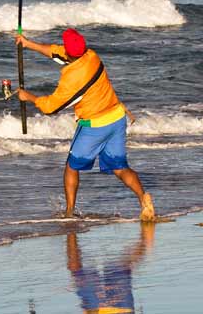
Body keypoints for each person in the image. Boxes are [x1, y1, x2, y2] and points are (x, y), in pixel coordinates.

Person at [15, 28, 155, 221]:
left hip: (94, 126)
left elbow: (51, 107)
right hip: (116, 118)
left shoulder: (73, 78)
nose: (63, 47)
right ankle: (143, 199)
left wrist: (28, 96)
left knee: (72, 167)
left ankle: (69, 212)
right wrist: (28, 43)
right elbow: (58, 52)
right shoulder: (91, 56)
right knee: (120, 167)